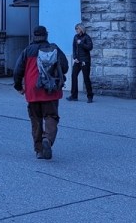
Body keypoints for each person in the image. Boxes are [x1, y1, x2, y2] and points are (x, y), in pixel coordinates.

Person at [13, 25, 69, 159]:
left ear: (34, 36)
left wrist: (18, 87)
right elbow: (65, 67)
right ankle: (47, 140)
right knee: (51, 117)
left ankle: (39, 150)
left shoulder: (27, 50)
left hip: (33, 90)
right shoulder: (54, 48)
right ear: (46, 35)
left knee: (35, 120)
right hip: (50, 89)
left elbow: (17, 71)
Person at [66, 23, 94, 103]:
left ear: (81, 29)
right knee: (73, 76)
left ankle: (90, 96)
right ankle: (74, 96)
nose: (76, 31)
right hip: (78, 60)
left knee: (86, 78)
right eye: (76, 29)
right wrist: (75, 58)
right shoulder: (75, 37)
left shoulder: (87, 37)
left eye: (77, 29)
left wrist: (81, 43)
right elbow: (74, 48)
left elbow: (90, 47)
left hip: (85, 60)